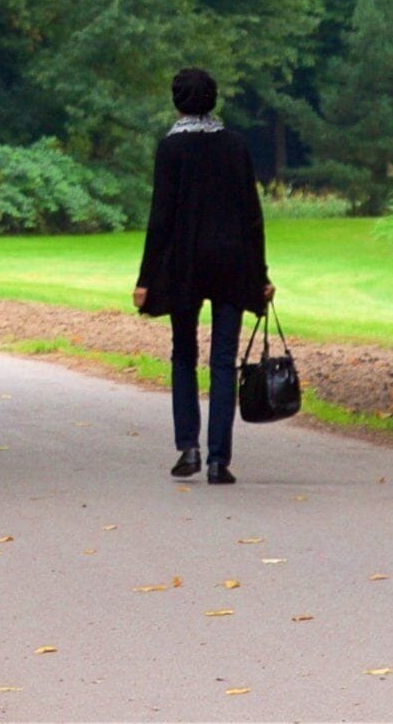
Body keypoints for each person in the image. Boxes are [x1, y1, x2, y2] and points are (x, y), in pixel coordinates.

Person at [131, 66, 272, 483]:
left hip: (185, 264)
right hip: (232, 262)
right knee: (223, 361)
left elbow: (161, 218)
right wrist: (261, 272)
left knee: (184, 354)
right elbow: (252, 214)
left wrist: (145, 278)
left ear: (178, 102)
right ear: (213, 101)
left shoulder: (170, 150)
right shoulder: (235, 146)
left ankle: (188, 447)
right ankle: (218, 460)